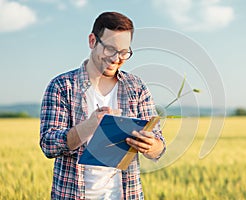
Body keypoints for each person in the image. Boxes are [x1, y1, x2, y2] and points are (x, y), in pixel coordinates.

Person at [39, 11, 166, 199]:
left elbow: (159, 148)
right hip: (72, 194)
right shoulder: (61, 86)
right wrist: (87, 127)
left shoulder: (137, 88)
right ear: (92, 41)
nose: (116, 58)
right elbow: (48, 144)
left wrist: (150, 145)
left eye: (124, 52)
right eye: (110, 49)